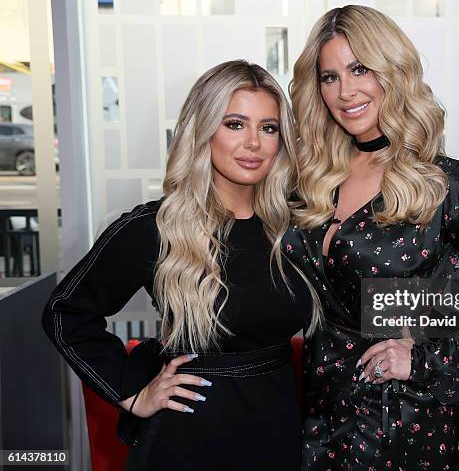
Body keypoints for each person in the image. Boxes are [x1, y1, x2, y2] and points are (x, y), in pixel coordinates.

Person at [283, 5, 459, 470]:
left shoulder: (444, 184)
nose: (346, 91)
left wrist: (426, 359)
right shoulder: (310, 181)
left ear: (393, 71)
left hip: (406, 425)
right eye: (330, 77)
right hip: (320, 422)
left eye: (360, 68)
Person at [41, 60, 320, 471]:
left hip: (279, 430)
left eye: (268, 128)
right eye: (235, 124)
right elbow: (65, 313)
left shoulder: (294, 228)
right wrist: (133, 394)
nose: (253, 144)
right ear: (203, 129)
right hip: (188, 437)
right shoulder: (154, 227)